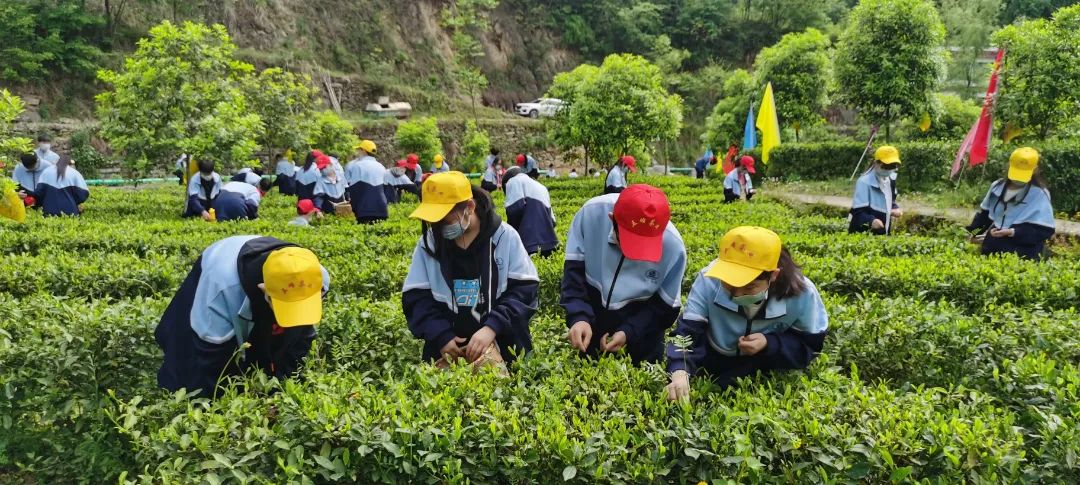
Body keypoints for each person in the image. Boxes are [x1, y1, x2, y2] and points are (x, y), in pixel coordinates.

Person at [664, 226, 829, 400]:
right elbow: (687, 332)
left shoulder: (802, 295)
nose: (736, 294)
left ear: (773, 276)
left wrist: (770, 343)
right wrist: (679, 370)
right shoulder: (709, 280)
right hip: (710, 361)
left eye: (749, 287)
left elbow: (809, 347)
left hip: (762, 374)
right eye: (729, 284)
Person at [155, 236, 330, 398]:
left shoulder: (315, 276)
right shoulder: (221, 289)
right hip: (217, 266)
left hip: (255, 260)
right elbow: (211, 356)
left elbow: (301, 336)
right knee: (187, 365)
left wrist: (284, 391)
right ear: (264, 291)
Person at [402, 172, 539, 370]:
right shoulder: (429, 243)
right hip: (446, 352)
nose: (439, 228)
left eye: (445, 221)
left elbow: (524, 291)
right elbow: (416, 298)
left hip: (505, 347)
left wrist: (492, 327)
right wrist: (441, 335)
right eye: (434, 221)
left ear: (470, 207)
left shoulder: (504, 237)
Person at [561, 184, 687, 364]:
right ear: (612, 219)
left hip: (643, 337)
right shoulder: (590, 215)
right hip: (592, 327)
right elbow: (574, 274)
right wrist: (579, 316)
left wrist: (630, 331)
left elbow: (664, 307)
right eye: (628, 241)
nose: (632, 254)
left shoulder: (674, 247)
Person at [965, 147, 1055, 260]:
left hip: (1022, 253)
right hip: (992, 248)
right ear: (1009, 166)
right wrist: (972, 233)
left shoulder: (1039, 194)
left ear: (1035, 170)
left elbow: (1044, 231)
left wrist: (1013, 232)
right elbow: (984, 219)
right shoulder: (997, 187)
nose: (1018, 179)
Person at [502, 166, 558, 256]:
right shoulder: (542, 187)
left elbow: (515, 209)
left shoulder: (512, 181)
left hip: (529, 245)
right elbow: (553, 221)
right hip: (550, 244)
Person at [848, 146, 902, 234]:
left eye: (892, 166)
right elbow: (857, 212)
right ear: (876, 163)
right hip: (862, 233)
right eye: (886, 166)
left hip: (884, 230)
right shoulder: (864, 182)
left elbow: (890, 201)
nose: (889, 169)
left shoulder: (891, 180)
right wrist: (871, 221)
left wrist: (895, 208)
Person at [345, 140, 388, 224]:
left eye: (359, 150)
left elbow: (354, 189)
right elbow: (386, 189)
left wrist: (354, 207)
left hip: (365, 209)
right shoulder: (381, 166)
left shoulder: (358, 166)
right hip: (382, 208)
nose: (358, 152)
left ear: (364, 151)